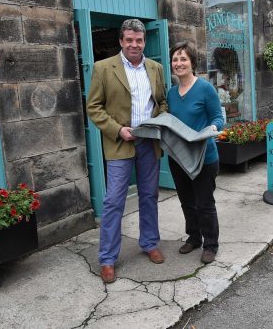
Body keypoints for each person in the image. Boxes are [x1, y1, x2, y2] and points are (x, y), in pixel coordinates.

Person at [86, 19, 168, 283]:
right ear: (121, 41)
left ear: (144, 41)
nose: (135, 44)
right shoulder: (103, 68)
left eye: (139, 40)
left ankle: (149, 243)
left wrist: (159, 120)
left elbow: (162, 102)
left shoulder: (155, 68)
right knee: (113, 202)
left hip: (148, 142)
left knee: (149, 195)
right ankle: (107, 259)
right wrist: (117, 129)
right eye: (129, 40)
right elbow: (94, 107)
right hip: (120, 141)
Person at [167, 41, 224, 264]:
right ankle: (194, 237)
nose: (179, 63)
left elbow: (218, 117)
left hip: (203, 157)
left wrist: (213, 128)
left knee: (205, 203)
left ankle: (211, 244)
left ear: (192, 62)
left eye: (183, 59)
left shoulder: (205, 88)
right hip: (178, 157)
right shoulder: (171, 93)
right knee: (186, 201)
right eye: (175, 59)